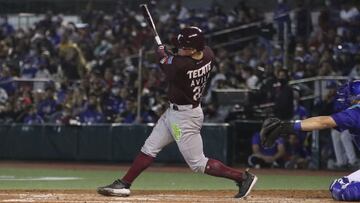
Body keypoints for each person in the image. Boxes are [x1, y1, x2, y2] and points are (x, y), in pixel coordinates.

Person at [96, 26, 257, 198]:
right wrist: (170, 51)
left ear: (194, 49)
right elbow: (176, 55)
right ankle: (124, 183)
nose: (180, 49)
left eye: (184, 47)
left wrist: (161, 51)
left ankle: (242, 178)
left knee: (198, 163)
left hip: (184, 119)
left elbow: (163, 60)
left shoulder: (181, 67)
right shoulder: (208, 54)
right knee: (149, 148)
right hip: (175, 113)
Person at [259, 80, 360, 201]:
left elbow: (323, 122)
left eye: (349, 96)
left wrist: (287, 126)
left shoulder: (356, 113)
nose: (346, 99)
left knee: (342, 189)